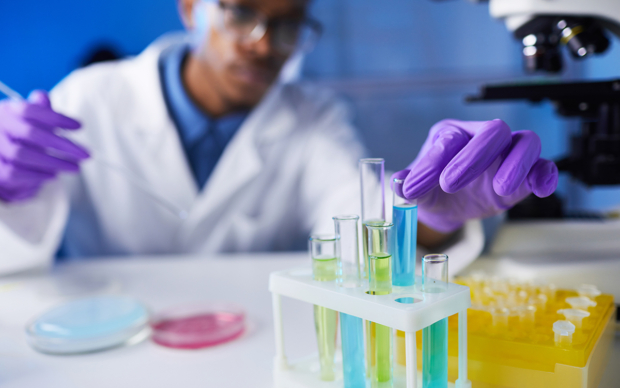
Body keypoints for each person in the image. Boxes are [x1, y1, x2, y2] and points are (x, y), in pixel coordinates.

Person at [0, 0, 557, 275]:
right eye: (242, 12)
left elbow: (358, 223)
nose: (265, 44)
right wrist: (4, 189)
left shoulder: (313, 117)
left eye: (288, 25)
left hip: (250, 347)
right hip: (108, 345)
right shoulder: (90, 97)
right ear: (192, 8)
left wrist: (433, 217)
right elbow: (18, 255)